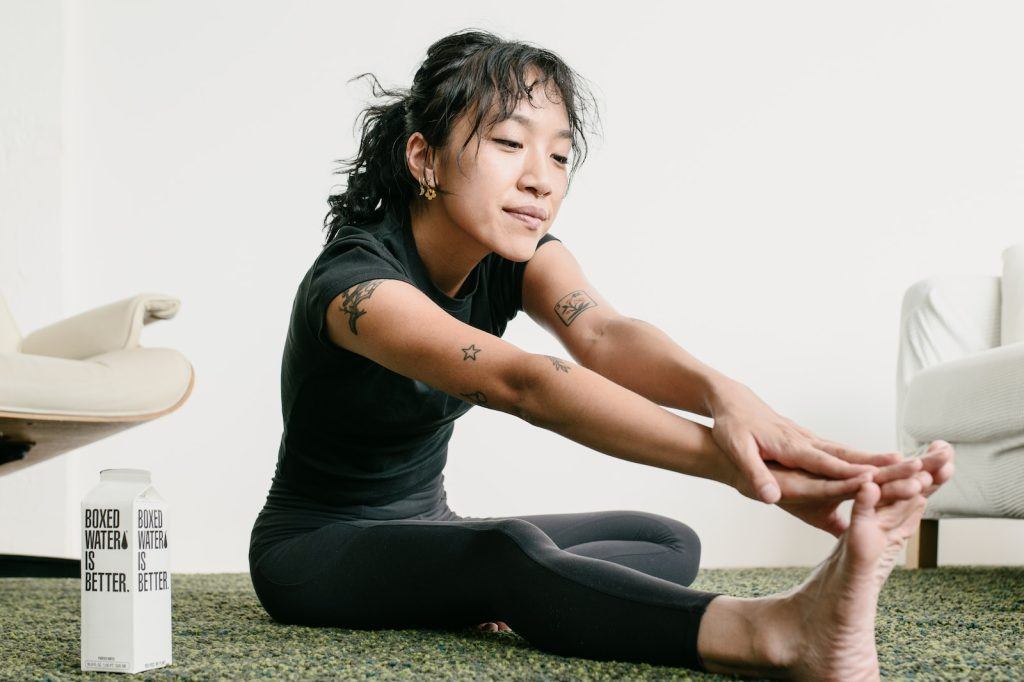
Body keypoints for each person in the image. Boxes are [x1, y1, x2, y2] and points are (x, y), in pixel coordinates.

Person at [249, 29, 956, 679]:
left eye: (559, 154)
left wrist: (727, 397)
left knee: (664, 538)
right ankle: (772, 633)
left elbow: (605, 337)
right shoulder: (357, 288)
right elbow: (524, 383)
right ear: (424, 157)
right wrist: (761, 477)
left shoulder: (513, 255)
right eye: (508, 143)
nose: (542, 178)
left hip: (431, 526)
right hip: (314, 550)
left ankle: (485, 584)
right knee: (511, 552)